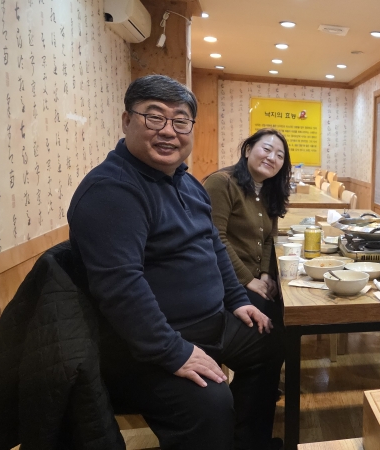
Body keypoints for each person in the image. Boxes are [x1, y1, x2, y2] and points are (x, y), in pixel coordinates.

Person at [67, 75, 284, 450]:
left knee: (270, 342)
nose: (168, 131)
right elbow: (121, 288)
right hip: (145, 347)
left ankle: (248, 442)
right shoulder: (112, 190)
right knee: (212, 403)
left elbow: (213, 244)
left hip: (211, 323)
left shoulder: (186, 182)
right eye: (154, 117)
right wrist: (175, 352)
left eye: (180, 121)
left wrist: (237, 300)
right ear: (126, 121)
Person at [203, 128, 292, 321]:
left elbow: (269, 238)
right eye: (266, 149)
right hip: (227, 280)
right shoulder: (222, 182)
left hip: (257, 278)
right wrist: (248, 280)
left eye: (279, 155)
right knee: (280, 318)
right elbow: (215, 237)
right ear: (248, 150)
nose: (272, 158)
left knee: (290, 305)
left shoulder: (269, 190)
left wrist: (266, 274)